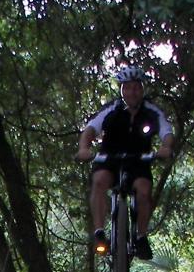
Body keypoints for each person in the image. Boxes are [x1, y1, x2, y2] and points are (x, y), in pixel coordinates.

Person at [74, 64, 174, 261]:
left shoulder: (152, 111)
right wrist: (84, 149)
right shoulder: (112, 109)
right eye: (127, 87)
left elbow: (167, 132)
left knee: (143, 190)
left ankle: (141, 236)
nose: (132, 92)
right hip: (109, 158)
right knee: (100, 180)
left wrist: (166, 148)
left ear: (142, 89)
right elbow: (90, 129)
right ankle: (99, 233)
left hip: (139, 159)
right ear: (121, 89)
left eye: (136, 87)